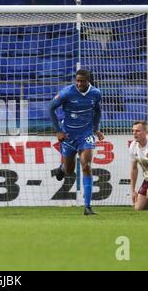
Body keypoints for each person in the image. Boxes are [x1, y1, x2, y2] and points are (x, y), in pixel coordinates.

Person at [49, 69, 104, 215]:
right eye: (77, 81)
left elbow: (98, 111)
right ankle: (62, 168)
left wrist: (96, 129)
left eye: (82, 81)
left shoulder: (96, 93)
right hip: (68, 134)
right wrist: (58, 131)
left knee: (86, 165)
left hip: (85, 134)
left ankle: (87, 206)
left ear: (88, 80)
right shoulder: (67, 92)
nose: (79, 83)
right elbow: (51, 108)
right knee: (69, 170)